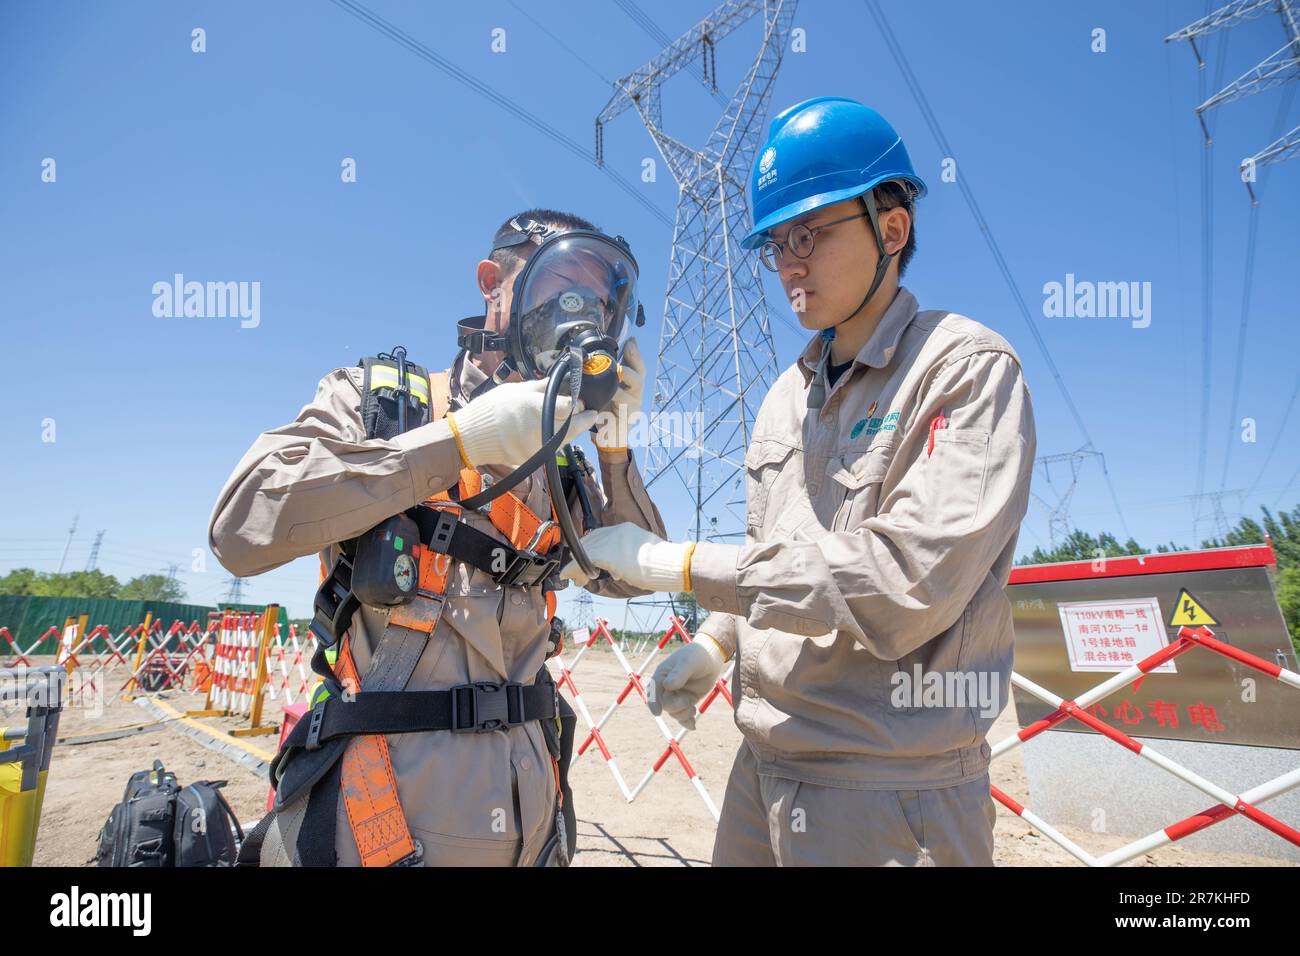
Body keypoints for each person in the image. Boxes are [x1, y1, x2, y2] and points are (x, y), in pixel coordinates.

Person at [565, 97, 1037, 866]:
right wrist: (717, 646)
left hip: (886, 786)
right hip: (764, 770)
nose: (788, 261)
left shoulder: (964, 370)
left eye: (810, 233)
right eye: (775, 242)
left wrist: (674, 564)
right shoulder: (790, 393)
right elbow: (775, 556)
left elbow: (908, 579)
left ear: (892, 228)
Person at [209, 208, 666, 866]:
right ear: (492, 282)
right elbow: (239, 528)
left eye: (597, 301)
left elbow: (631, 574)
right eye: (561, 285)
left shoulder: (563, 464)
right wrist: (454, 443)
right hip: (376, 831)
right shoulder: (387, 405)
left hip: (536, 836)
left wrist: (616, 445)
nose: (580, 314)